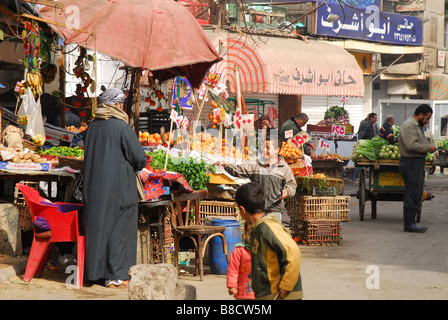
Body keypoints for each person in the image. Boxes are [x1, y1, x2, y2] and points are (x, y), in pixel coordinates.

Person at [83, 88, 147, 288]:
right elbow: (139, 158)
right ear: (117, 105)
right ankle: (117, 277)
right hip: (119, 189)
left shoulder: (92, 126)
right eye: (121, 103)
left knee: (99, 229)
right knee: (120, 231)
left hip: (94, 188)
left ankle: (96, 274)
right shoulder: (121, 127)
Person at [235, 182, 303, 300]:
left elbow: (293, 252)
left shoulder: (268, 227)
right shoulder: (257, 228)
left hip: (282, 294)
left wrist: (286, 285)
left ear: (242, 210)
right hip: (269, 294)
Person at [221, 129, 297, 224]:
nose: (264, 150)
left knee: (271, 237)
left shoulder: (284, 168)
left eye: (268, 148)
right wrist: (226, 165)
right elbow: (240, 170)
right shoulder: (257, 165)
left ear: (277, 150)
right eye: (263, 147)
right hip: (257, 211)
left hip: (275, 211)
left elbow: (292, 185)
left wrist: (286, 191)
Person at [398, 104, 437, 233]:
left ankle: (411, 222)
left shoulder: (418, 126)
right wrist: (428, 148)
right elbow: (411, 145)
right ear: (421, 115)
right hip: (411, 162)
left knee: (415, 192)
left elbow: (419, 142)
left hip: (417, 161)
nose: (427, 121)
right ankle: (409, 224)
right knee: (412, 192)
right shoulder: (409, 125)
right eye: (427, 118)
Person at [226, 222, 255, 300]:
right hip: (243, 292)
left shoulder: (265, 251)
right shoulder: (239, 251)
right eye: (251, 235)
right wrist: (232, 286)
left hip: (261, 293)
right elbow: (233, 270)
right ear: (245, 234)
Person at [351, 112, 379, 181]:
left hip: (371, 145)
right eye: (375, 118)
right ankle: (353, 177)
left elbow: (378, 131)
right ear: (371, 118)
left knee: (368, 162)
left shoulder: (374, 124)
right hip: (364, 145)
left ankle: (355, 177)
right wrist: (358, 143)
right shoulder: (364, 123)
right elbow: (361, 134)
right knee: (362, 162)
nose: (376, 119)